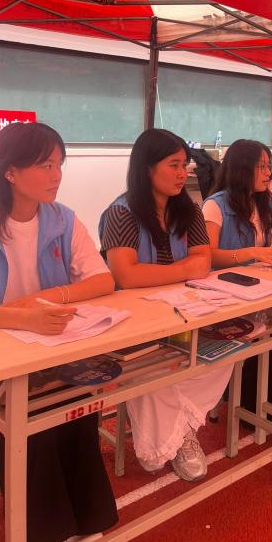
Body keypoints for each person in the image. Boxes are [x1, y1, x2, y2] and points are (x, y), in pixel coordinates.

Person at [0, 122, 118, 542]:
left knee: (79, 409)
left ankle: (87, 534)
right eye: (45, 166)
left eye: (59, 165)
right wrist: (19, 318)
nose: (57, 176)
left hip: (46, 352)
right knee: (31, 419)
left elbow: (102, 280)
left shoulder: (62, 219)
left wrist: (48, 300)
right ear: (10, 172)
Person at [99, 129, 232, 482]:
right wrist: (183, 270)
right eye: (173, 165)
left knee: (228, 348)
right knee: (156, 366)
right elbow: (126, 275)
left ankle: (179, 430)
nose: (182, 173)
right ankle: (167, 442)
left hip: (185, 312)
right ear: (147, 168)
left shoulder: (188, 210)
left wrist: (166, 272)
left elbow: (203, 261)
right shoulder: (122, 213)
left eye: (184, 165)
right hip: (136, 321)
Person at [202, 140, 272, 412]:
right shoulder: (215, 206)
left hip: (256, 290)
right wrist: (252, 252)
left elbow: (266, 247)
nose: (268, 172)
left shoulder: (263, 205)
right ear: (242, 169)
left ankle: (268, 401)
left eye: (269, 166)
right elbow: (207, 256)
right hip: (221, 295)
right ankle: (248, 401)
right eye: (261, 166)